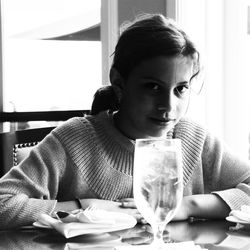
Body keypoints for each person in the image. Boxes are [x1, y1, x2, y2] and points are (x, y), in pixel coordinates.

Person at [1, 13, 250, 230]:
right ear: (119, 82)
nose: (168, 106)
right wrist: (88, 207)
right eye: (153, 87)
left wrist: (185, 206)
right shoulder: (73, 140)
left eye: (180, 89)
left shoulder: (192, 138)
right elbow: (4, 204)